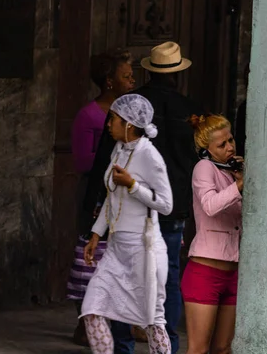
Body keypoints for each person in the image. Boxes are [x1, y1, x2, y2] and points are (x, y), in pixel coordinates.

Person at [83, 41, 202, 354]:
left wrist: (96, 206)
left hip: (146, 210)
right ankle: (168, 346)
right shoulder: (188, 109)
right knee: (166, 282)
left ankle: (128, 347)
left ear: (148, 70)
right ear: (177, 73)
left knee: (133, 285)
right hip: (166, 212)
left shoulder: (132, 106)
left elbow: (102, 167)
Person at [81, 94, 173, 354]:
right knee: (92, 309)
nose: (108, 124)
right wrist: (96, 234)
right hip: (115, 248)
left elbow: (166, 205)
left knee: (153, 320)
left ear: (129, 124)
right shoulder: (118, 150)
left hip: (144, 249)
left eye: (113, 119)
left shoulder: (149, 155)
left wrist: (133, 186)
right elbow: (111, 199)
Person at [67, 48, 135, 346]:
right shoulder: (90, 115)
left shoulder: (130, 116)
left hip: (124, 197)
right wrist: (116, 159)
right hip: (98, 194)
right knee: (90, 259)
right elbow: (83, 161)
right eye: (126, 76)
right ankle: (85, 321)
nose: (132, 81)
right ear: (109, 81)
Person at [182, 114, 244, 354]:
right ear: (206, 151)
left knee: (223, 348)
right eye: (222, 145)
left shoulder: (231, 172)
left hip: (233, 272)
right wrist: (238, 186)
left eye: (231, 140)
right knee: (198, 349)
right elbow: (209, 204)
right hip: (205, 273)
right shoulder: (203, 168)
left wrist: (240, 180)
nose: (230, 147)